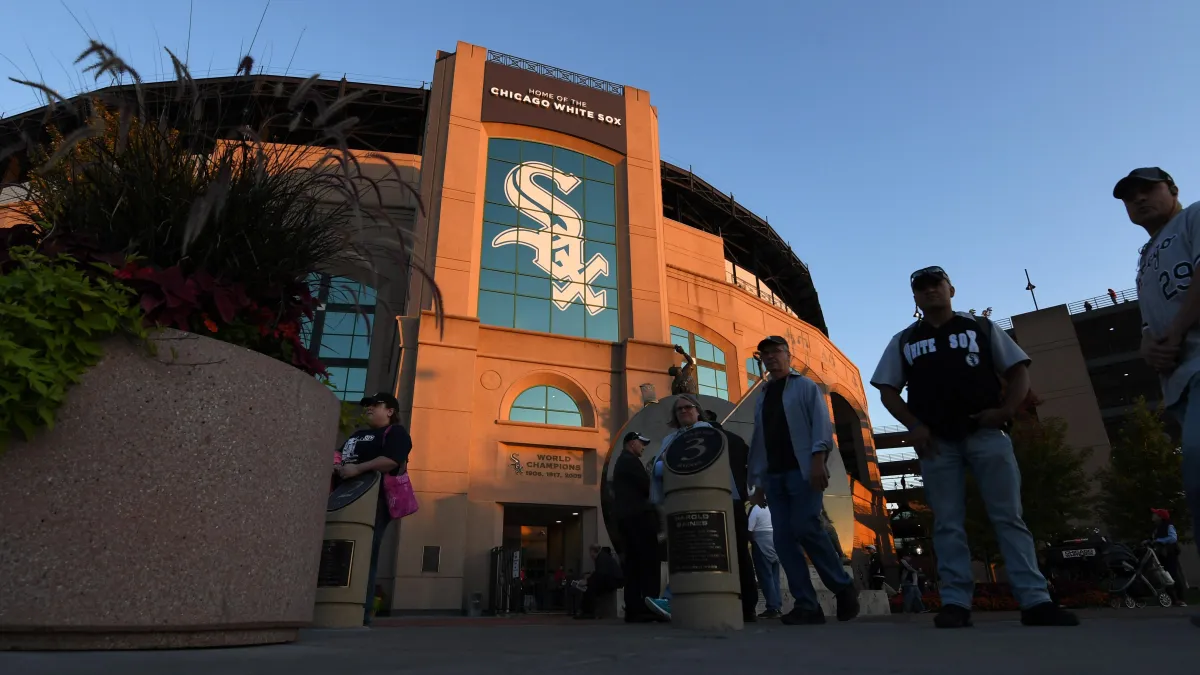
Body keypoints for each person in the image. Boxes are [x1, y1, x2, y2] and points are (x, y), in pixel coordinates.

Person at [870, 267, 1078, 628]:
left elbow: (1018, 370)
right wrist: (915, 425)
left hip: (985, 433)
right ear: (915, 297)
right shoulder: (904, 339)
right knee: (947, 524)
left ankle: (1035, 601)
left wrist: (1007, 410)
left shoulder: (979, 328)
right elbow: (887, 388)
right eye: (921, 288)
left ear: (951, 288)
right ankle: (955, 603)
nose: (930, 291)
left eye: (936, 284)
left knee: (1009, 517)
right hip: (937, 441)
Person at [1115, 167, 1200, 628]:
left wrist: (1176, 331)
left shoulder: (1195, 218)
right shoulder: (1147, 254)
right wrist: (1150, 341)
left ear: (1173, 190)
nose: (1139, 199)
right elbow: (1151, 320)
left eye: (1148, 190)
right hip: (1181, 379)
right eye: (1130, 197)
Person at [747, 336, 860, 625]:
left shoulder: (805, 386)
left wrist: (818, 461)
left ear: (788, 354)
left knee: (806, 525)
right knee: (783, 539)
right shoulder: (763, 394)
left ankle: (842, 585)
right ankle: (807, 604)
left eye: (776, 352)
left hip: (803, 470)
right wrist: (758, 484)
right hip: (774, 476)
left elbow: (821, 424)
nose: (771, 357)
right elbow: (761, 440)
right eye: (765, 354)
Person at [644, 395, 758, 623]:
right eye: (679, 409)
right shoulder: (669, 441)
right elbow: (658, 469)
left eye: (689, 407)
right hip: (683, 502)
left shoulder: (716, 435)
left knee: (735, 552)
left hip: (723, 501)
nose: (684, 411)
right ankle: (677, 599)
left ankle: (746, 606)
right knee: (688, 552)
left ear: (698, 411)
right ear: (674, 417)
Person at [333, 391, 413, 627]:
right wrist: (337, 465)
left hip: (373, 499)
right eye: (366, 405)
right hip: (343, 497)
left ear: (390, 411)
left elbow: (393, 459)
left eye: (374, 405)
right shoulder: (358, 435)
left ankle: (360, 612)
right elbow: (338, 453)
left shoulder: (395, 432)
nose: (368, 408)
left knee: (364, 554)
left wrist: (358, 469)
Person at [610, 431, 662, 623]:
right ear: (632, 443)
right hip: (638, 520)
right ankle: (647, 607)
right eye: (641, 443)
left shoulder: (622, 462)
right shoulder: (630, 462)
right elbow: (648, 487)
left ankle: (634, 608)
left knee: (634, 565)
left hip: (628, 521)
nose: (643, 447)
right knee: (647, 564)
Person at [748, 499, 783, 619]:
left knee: (765, 577)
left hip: (761, 542)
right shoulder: (773, 507)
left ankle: (772, 607)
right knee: (775, 577)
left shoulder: (756, 508)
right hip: (775, 542)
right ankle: (777, 605)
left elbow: (750, 529)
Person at [1150, 509, 1186, 607]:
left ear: (1161, 517)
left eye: (1155, 514)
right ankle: (1172, 598)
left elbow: (1173, 538)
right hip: (1161, 554)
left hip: (1169, 553)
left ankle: (1180, 598)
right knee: (1164, 576)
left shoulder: (1169, 525)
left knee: (1173, 574)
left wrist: (1159, 540)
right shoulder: (1157, 528)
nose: (1153, 515)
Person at [576, 545, 624, 619]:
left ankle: (587, 612)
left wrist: (587, 581)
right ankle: (587, 611)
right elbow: (600, 574)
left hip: (614, 581)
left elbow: (600, 574)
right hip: (614, 580)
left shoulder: (601, 559)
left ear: (594, 552)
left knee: (590, 588)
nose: (591, 556)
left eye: (591, 553)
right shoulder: (603, 557)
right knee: (590, 587)